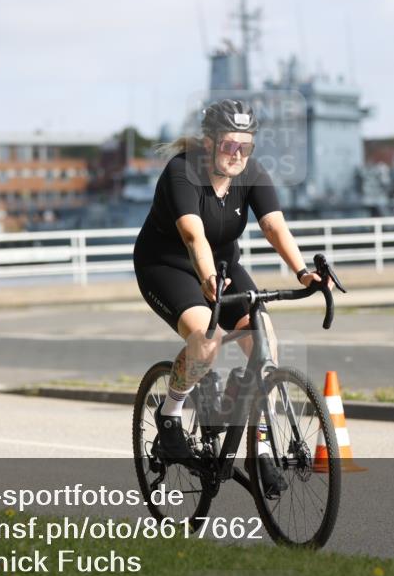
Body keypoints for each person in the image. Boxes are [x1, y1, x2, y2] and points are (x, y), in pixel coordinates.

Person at [133, 99, 329, 496]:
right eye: (229, 145)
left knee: (265, 344)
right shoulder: (182, 172)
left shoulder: (251, 173)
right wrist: (206, 278)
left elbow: (274, 227)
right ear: (209, 143)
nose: (237, 154)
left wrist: (303, 272)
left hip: (223, 265)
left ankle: (260, 449)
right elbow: (193, 236)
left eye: (246, 146)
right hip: (168, 265)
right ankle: (170, 416)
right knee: (206, 342)